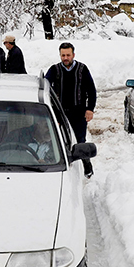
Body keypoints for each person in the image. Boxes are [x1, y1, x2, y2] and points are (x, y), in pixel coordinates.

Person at [45, 42, 96, 178]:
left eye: (68, 55)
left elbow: (91, 90)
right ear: (60, 55)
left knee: (80, 140)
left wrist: (90, 109)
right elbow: (45, 85)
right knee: (58, 138)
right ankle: (58, 166)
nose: (66, 58)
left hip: (78, 112)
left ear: (73, 54)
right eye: (63, 55)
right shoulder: (54, 70)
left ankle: (86, 165)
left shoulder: (82, 69)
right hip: (60, 113)